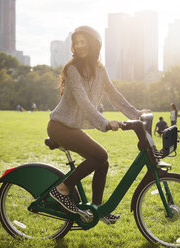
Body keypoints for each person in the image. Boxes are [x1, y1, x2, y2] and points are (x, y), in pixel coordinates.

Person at [47, 26, 149, 225]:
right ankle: (61, 189)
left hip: (71, 127)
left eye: (84, 42)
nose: (79, 46)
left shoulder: (99, 70)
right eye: (76, 42)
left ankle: (97, 209)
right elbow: (83, 102)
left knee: (103, 160)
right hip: (59, 126)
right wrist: (104, 123)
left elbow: (114, 95)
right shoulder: (72, 70)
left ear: (94, 44)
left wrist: (136, 113)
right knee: (100, 155)